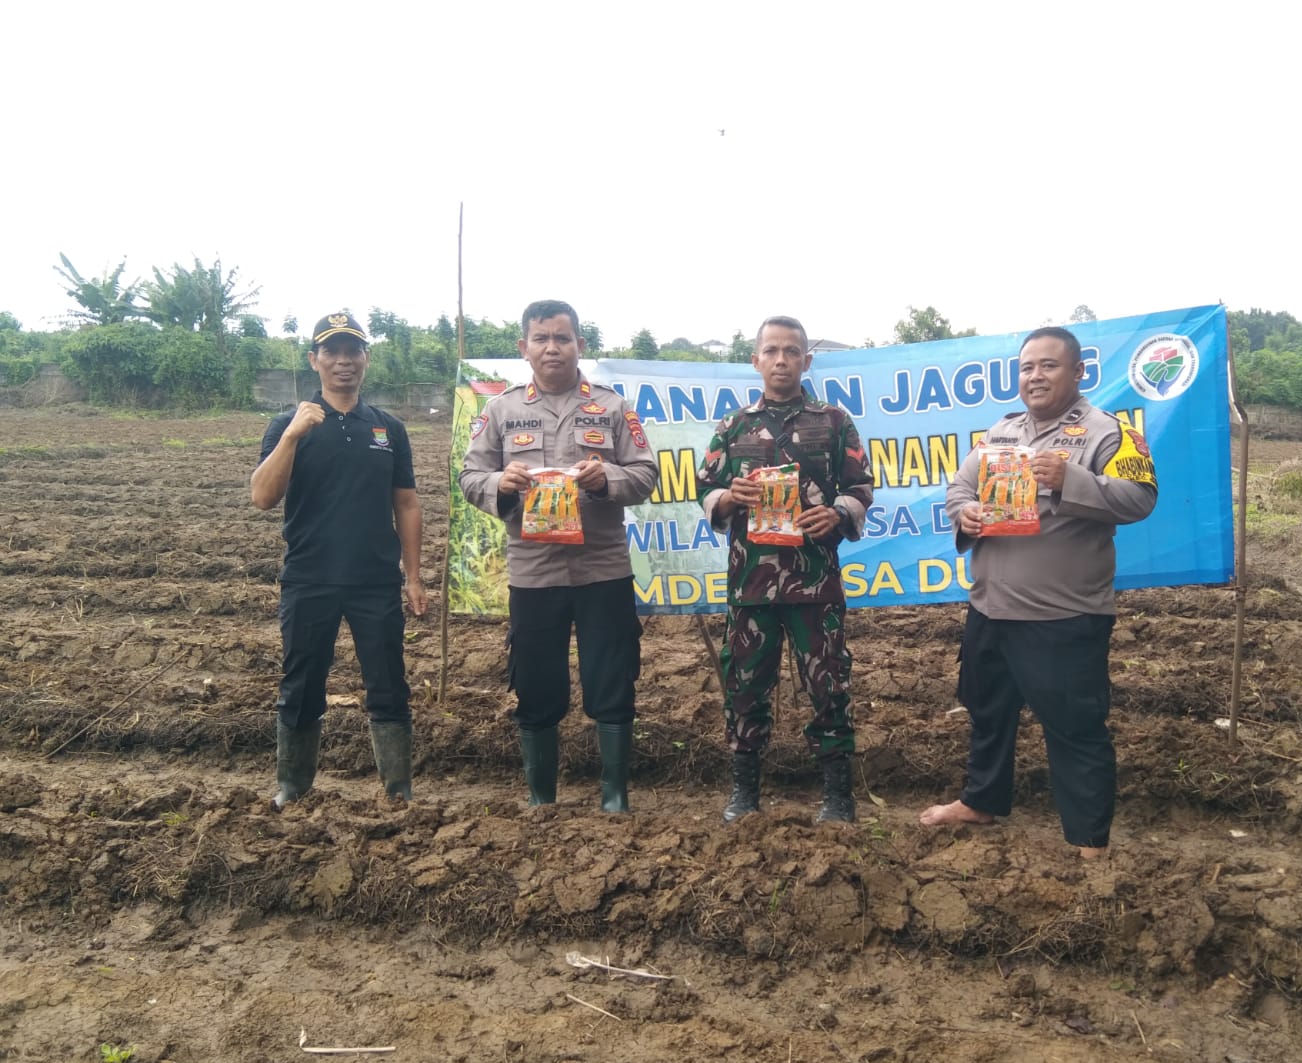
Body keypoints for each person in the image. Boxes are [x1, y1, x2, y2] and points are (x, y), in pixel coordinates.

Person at [919, 326, 1157, 858]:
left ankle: (1089, 839)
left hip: (1062, 615)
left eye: (1049, 365)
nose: (1035, 375)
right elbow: (959, 488)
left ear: (1078, 372)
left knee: (1074, 725)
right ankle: (980, 802)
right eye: (1027, 367)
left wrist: (1068, 481)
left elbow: (1140, 499)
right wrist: (968, 513)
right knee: (987, 710)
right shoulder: (1001, 433)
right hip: (990, 606)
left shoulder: (1111, 434)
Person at [458, 300, 657, 814]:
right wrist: (500, 483)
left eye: (563, 338)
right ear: (523, 348)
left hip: (602, 569)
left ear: (579, 346)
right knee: (536, 684)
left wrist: (605, 478)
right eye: (542, 338)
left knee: (612, 679)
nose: (553, 348)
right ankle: (540, 796)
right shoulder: (501, 410)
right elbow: (469, 477)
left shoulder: (613, 408)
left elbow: (645, 474)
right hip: (534, 573)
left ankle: (614, 796)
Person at [696, 316, 874, 823]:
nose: (781, 360)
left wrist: (838, 512)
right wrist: (729, 496)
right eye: (771, 350)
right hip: (750, 583)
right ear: (755, 361)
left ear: (806, 361)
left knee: (829, 685)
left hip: (815, 582)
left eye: (791, 351)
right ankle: (744, 792)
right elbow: (703, 489)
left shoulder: (834, 422)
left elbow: (862, 487)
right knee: (745, 684)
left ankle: (838, 795)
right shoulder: (733, 427)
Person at [250, 311, 427, 810]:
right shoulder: (288, 424)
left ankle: (398, 787)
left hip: (375, 581)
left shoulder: (387, 428)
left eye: (354, 351)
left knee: (389, 683)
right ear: (315, 360)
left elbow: (407, 504)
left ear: (366, 359)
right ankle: (293, 784)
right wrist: (292, 437)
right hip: (309, 579)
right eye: (332, 351)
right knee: (301, 682)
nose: (344, 361)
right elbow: (262, 497)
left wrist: (413, 577)